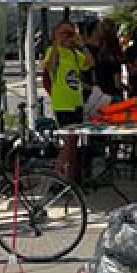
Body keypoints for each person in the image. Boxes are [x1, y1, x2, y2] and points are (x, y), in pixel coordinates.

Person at [43, 21, 93, 179]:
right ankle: (56, 176)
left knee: (74, 144)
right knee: (69, 143)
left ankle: (70, 180)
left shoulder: (73, 53)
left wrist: (81, 44)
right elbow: (49, 67)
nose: (68, 37)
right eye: (64, 33)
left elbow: (90, 63)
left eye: (70, 33)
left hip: (76, 102)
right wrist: (57, 44)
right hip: (62, 104)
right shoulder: (52, 51)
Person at [90, 18, 126, 99]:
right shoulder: (114, 55)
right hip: (113, 96)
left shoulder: (94, 52)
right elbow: (117, 84)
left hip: (97, 96)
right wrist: (126, 87)